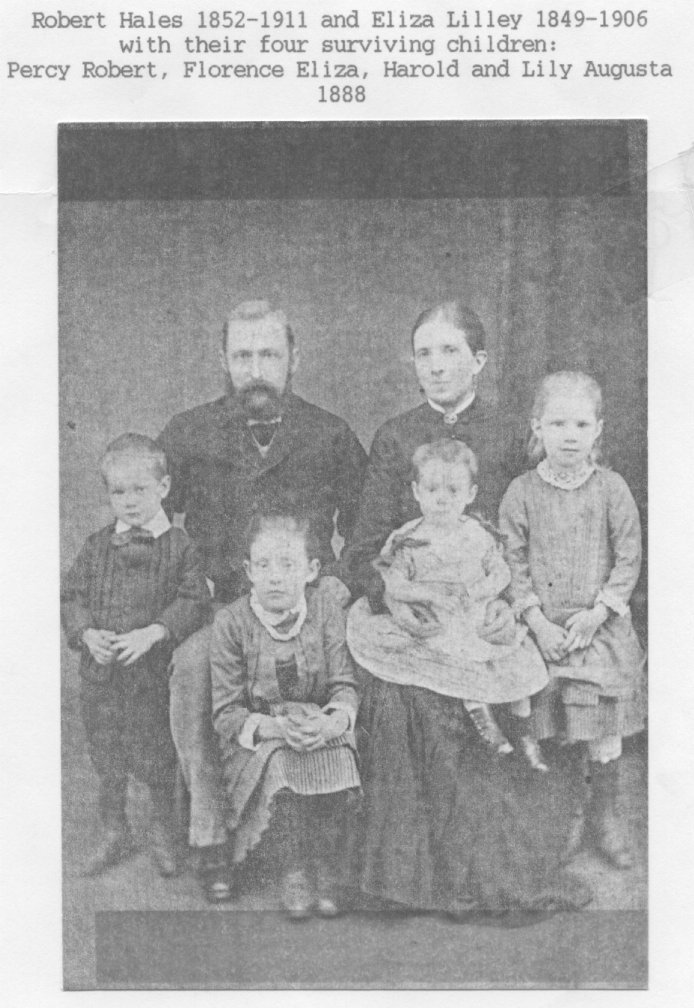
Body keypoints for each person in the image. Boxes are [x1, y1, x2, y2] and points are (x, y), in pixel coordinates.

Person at [344, 302, 591, 920]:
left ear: (479, 360)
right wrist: (393, 597)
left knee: (496, 698)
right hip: (413, 608)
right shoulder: (395, 436)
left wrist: (512, 606)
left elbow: (532, 536)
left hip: (490, 613)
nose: (436, 365)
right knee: (400, 699)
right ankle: (411, 881)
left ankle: (489, 876)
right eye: (424, 352)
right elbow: (364, 548)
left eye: (450, 351)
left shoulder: (511, 433)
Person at [158, 300, 367, 901]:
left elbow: (365, 532)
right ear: (223, 360)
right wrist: (182, 593)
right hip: (220, 605)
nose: (256, 368)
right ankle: (212, 837)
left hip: (305, 605)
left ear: (293, 358)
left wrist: (333, 590)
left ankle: (334, 842)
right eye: (243, 354)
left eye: (269, 354)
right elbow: (154, 520)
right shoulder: (188, 432)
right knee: (192, 670)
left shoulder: (329, 433)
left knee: (343, 670)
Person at [499, 371, 646, 869]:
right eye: (557, 422)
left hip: (597, 629)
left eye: (581, 424)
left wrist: (598, 612)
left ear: (598, 430)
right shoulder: (520, 493)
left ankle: (603, 816)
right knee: (557, 727)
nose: (568, 435)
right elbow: (512, 563)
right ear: (536, 426)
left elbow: (628, 558)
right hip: (544, 632)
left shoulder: (612, 489)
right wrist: (538, 622)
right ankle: (565, 816)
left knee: (603, 731)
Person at [347, 438, 549, 770]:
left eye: (453, 491)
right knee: (459, 665)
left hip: (473, 612)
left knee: (517, 666)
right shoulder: (409, 538)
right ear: (416, 492)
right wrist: (426, 594)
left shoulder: (478, 533)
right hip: (433, 619)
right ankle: (480, 714)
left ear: (470, 494)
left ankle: (525, 732)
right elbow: (392, 581)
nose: (442, 499)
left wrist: (481, 590)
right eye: (432, 489)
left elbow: (500, 571)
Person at [60, 434, 210, 878]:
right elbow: (71, 597)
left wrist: (155, 632)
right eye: (117, 492)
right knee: (107, 755)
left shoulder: (182, 546)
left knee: (156, 755)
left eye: (139, 490)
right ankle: (114, 828)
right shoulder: (96, 545)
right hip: (101, 677)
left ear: (163, 488)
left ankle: (164, 829)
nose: (128, 501)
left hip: (152, 677)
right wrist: (86, 633)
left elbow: (193, 599)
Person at [210, 506, 360, 919]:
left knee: (343, 752)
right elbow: (226, 713)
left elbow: (343, 683)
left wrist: (331, 723)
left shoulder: (326, 611)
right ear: (248, 570)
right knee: (283, 762)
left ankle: (327, 865)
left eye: (287, 564)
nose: (275, 576)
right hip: (259, 737)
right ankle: (293, 868)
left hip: (317, 724)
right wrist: (276, 728)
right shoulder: (232, 622)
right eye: (263, 564)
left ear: (311, 570)